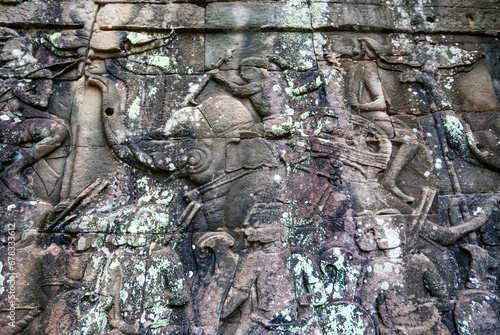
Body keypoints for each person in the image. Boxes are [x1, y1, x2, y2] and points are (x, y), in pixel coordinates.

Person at [0, 36, 69, 199]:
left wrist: (21, 94)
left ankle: (14, 170)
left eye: (10, 49)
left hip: (18, 124)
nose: (4, 52)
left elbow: (42, 101)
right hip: (3, 122)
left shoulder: (41, 73)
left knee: (59, 130)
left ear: (25, 51)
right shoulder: (2, 74)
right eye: (4, 49)